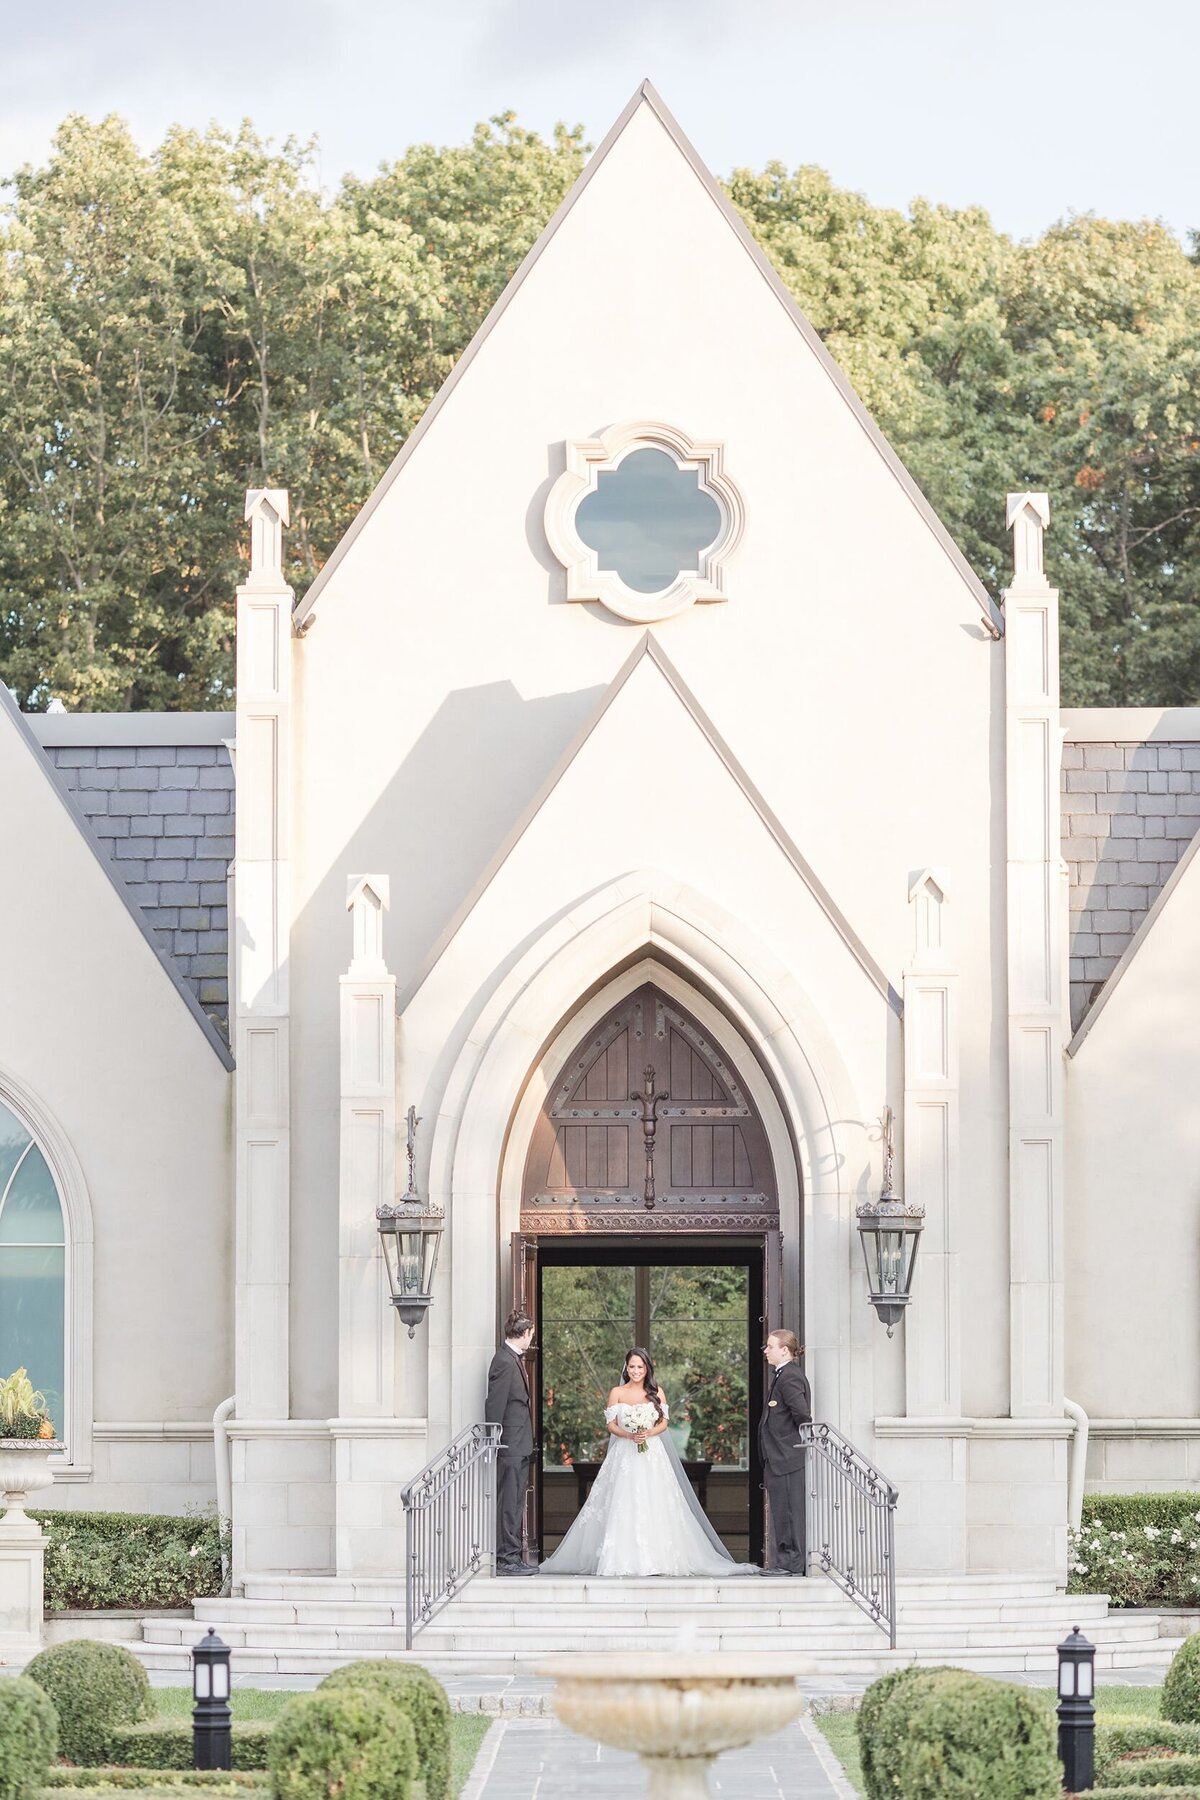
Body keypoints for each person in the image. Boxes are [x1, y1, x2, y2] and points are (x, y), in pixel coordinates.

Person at [540, 1347, 754, 1578]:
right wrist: (628, 1434)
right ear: (626, 1367)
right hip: (624, 1452)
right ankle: (621, 1557)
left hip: (652, 1452)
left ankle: (658, 1557)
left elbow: (664, 1423)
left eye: (640, 1367)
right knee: (623, 1499)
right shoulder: (617, 1392)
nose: (635, 1371)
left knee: (655, 1499)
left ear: (647, 1368)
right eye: (632, 1366)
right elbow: (611, 1425)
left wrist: (648, 1432)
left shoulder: (657, 1392)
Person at [486, 1309, 537, 1576]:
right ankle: (507, 1559)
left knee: (516, 1501)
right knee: (509, 1502)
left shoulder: (511, 1358)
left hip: (518, 1444)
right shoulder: (504, 1361)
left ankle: (513, 1555)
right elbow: (494, 1404)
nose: (531, 1340)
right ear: (525, 1333)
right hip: (509, 1445)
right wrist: (494, 1442)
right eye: (531, 1335)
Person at [759, 1328, 811, 1576]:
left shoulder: (790, 1376)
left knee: (789, 1511)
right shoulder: (781, 1375)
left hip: (787, 1457)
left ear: (784, 1350)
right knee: (782, 1510)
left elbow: (802, 1414)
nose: (766, 1350)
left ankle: (791, 1564)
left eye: (770, 1346)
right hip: (779, 1457)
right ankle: (785, 1562)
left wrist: (791, 1443)